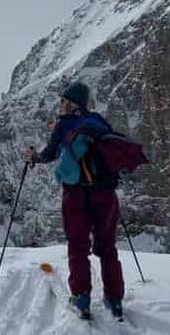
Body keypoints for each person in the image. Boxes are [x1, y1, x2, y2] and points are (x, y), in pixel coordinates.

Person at [25, 82, 124, 319]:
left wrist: (33, 157)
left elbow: (49, 154)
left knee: (78, 247)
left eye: (62, 101)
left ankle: (81, 299)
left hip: (76, 195)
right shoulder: (98, 121)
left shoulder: (64, 125)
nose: (59, 105)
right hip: (106, 195)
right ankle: (115, 299)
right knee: (107, 247)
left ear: (71, 104)